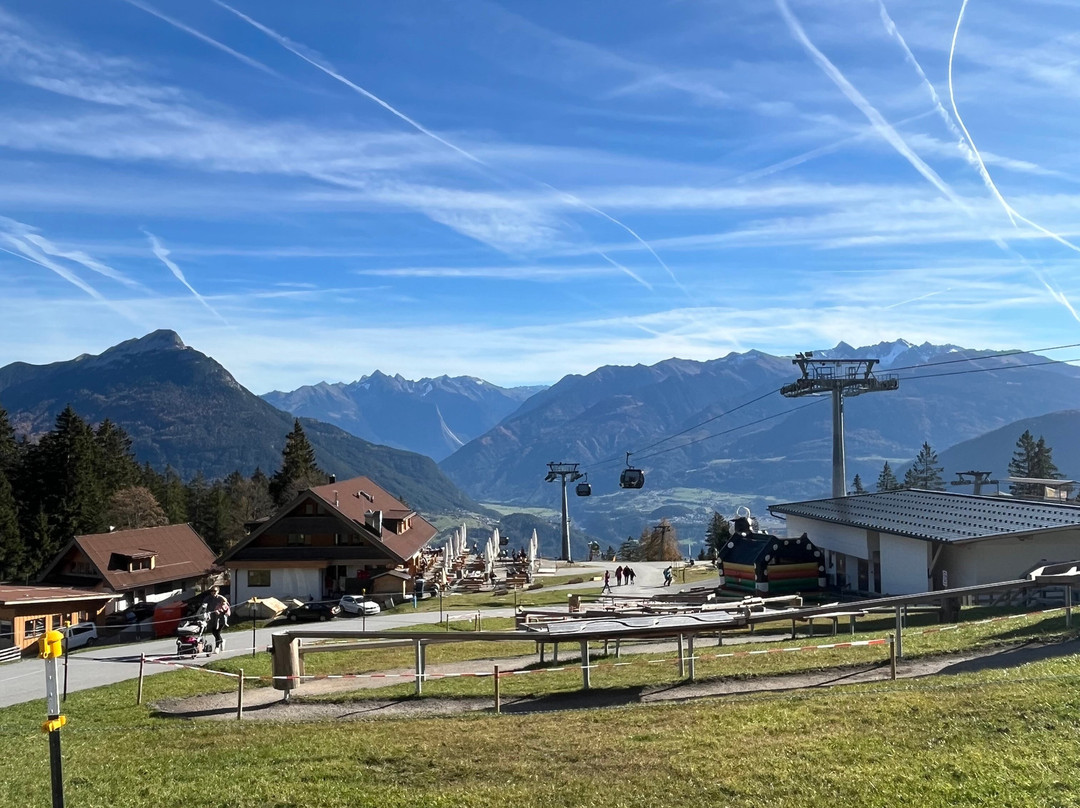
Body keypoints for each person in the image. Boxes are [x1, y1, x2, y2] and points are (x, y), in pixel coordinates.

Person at [206, 586, 230, 653]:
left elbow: (225, 606)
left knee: (217, 632)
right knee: (213, 631)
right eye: (212, 592)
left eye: (215, 591)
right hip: (212, 618)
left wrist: (219, 610)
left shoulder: (221, 598)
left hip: (221, 618)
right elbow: (204, 605)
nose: (213, 593)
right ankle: (222, 641)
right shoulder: (208, 598)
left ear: (218, 592)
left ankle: (217, 647)